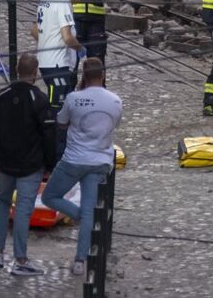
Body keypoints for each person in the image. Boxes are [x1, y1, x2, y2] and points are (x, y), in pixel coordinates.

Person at [42, 57, 122, 277]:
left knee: (50, 196)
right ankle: (80, 260)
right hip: (100, 162)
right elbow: (116, 123)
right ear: (103, 74)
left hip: (74, 160)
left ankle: (80, 216)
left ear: (83, 76)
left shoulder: (73, 98)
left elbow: (61, 122)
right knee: (89, 211)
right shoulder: (115, 100)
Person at [0, 52, 56, 277]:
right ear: (35, 74)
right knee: (23, 210)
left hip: (5, 163)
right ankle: (21, 259)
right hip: (30, 165)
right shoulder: (40, 100)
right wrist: (50, 164)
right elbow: (49, 136)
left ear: (16, 70)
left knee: (2, 204)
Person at [32, 0, 83, 115]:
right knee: (57, 110)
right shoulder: (62, 1)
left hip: (44, 60)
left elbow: (35, 30)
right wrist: (80, 48)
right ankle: (55, 138)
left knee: (58, 106)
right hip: (57, 63)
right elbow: (67, 37)